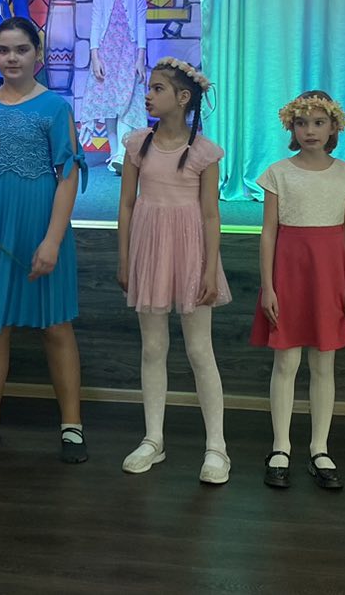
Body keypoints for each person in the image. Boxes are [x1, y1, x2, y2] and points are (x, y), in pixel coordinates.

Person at [0, 17, 89, 463]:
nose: (12, 58)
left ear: (38, 55)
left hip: (41, 225)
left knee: (55, 325)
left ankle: (72, 426)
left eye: (21, 50)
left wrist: (52, 241)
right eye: (4, 50)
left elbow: (67, 177)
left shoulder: (55, 107)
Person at [116, 57, 230, 483]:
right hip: (149, 252)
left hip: (190, 253)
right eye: (149, 87)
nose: (148, 94)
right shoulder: (137, 144)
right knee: (152, 347)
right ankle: (153, 439)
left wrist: (209, 270)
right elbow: (126, 206)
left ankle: (216, 447)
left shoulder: (203, 152)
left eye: (158, 88)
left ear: (183, 98)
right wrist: (124, 259)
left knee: (200, 350)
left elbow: (211, 215)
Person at [250, 90, 345, 490]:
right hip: (289, 275)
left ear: (333, 127)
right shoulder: (278, 173)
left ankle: (320, 447)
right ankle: (280, 446)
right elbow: (268, 233)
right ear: (291, 127)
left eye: (318, 123)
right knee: (286, 362)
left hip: (329, 277)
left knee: (323, 364)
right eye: (302, 123)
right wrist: (268, 287)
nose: (310, 130)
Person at [77, 0, 147, 173]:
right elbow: (96, 23)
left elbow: (141, 25)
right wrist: (95, 56)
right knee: (109, 99)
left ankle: (122, 154)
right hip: (107, 50)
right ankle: (114, 152)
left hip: (128, 50)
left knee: (127, 97)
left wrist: (140, 57)